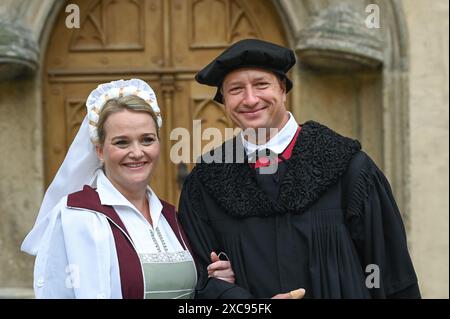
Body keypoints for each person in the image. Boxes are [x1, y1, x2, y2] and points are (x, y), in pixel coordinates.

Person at [178, 39, 421, 299]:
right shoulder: (206, 182)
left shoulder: (350, 169)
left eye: (261, 84)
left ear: (283, 89)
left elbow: (392, 275)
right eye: (236, 89)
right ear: (224, 101)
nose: (250, 99)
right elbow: (199, 283)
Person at [21, 79, 234, 299]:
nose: (137, 152)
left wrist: (216, 282)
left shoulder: (171, 217)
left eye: (147, 140)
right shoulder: (77, 216)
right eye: (122, 142)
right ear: (100, 151)